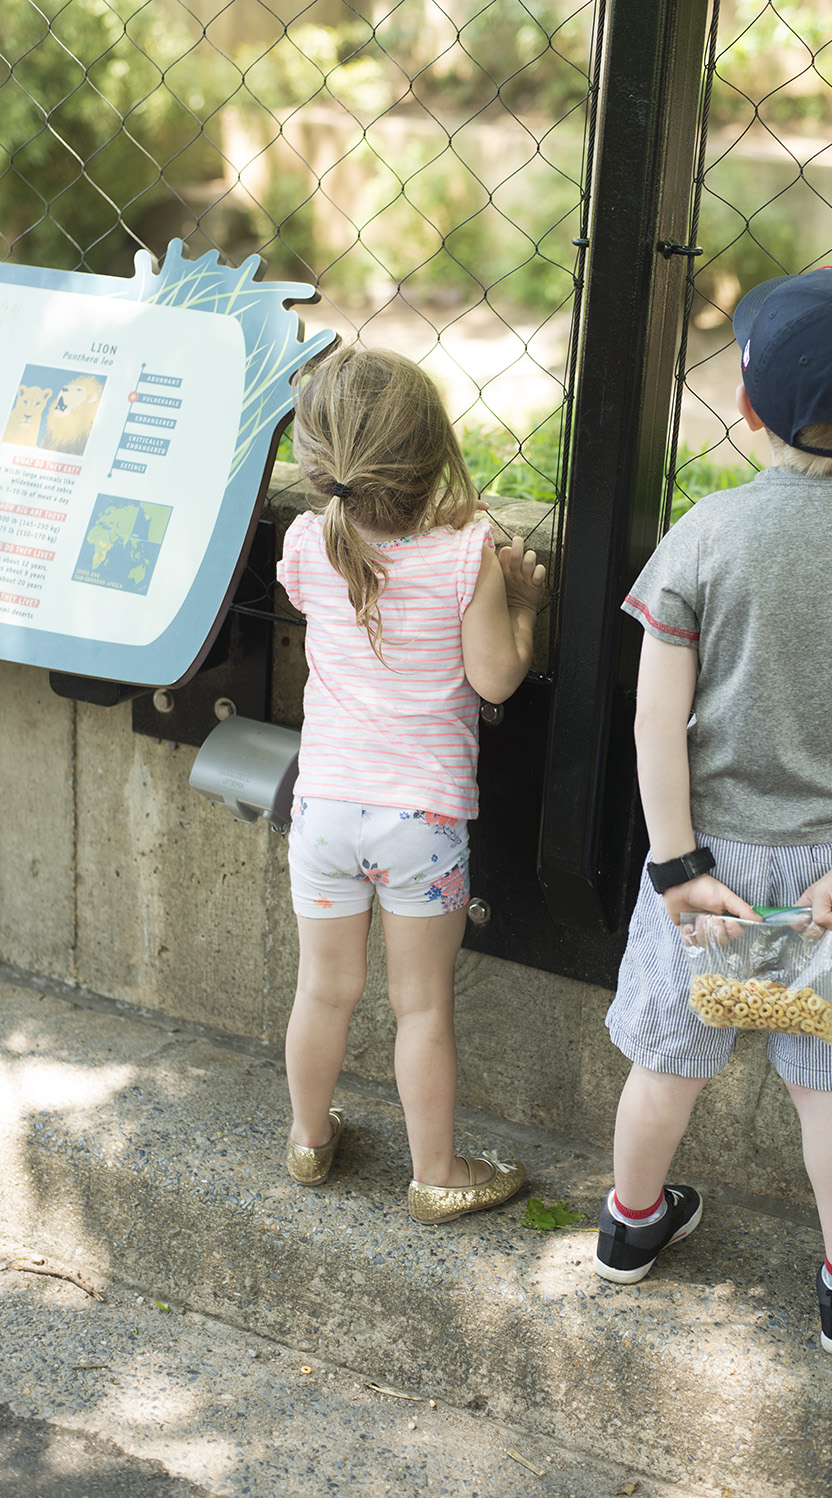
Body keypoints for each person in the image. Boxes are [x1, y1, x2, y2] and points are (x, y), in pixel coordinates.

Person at [595, 267, 832, 1358]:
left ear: (746, 404)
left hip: (708, 864)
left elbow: (652, 717)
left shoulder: (706, 536)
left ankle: (631, 1229)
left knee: (669, 1060)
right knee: (828, 1087)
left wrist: (674, 863)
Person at [276, 344, 546, 1225]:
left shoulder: (306, 541)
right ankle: (437, 1172)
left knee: (324, 989)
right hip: (418, 821)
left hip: (321, 810)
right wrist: (525, 605)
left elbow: (313, 598)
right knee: (420, 1002)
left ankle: (310, 1139)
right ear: (433, 455)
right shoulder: (469, 553)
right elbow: (498, 680)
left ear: (321, 465)